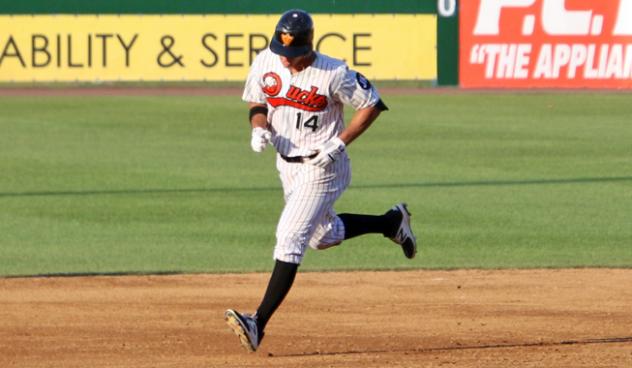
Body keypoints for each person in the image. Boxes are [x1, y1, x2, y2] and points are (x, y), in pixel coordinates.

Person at [225, 9, 417, 352]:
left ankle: (258, 322)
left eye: (291, 55)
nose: (284, 61)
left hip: (324, 165)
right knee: (321, 236)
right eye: (280, 52)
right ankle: (391, 222)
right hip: (287, 165)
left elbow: (372, 104)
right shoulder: (267, 60)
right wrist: (258, 127)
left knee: (289, 237)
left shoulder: (334, 72)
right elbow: (257, 101)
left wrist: (338, 142)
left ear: (307, 47)